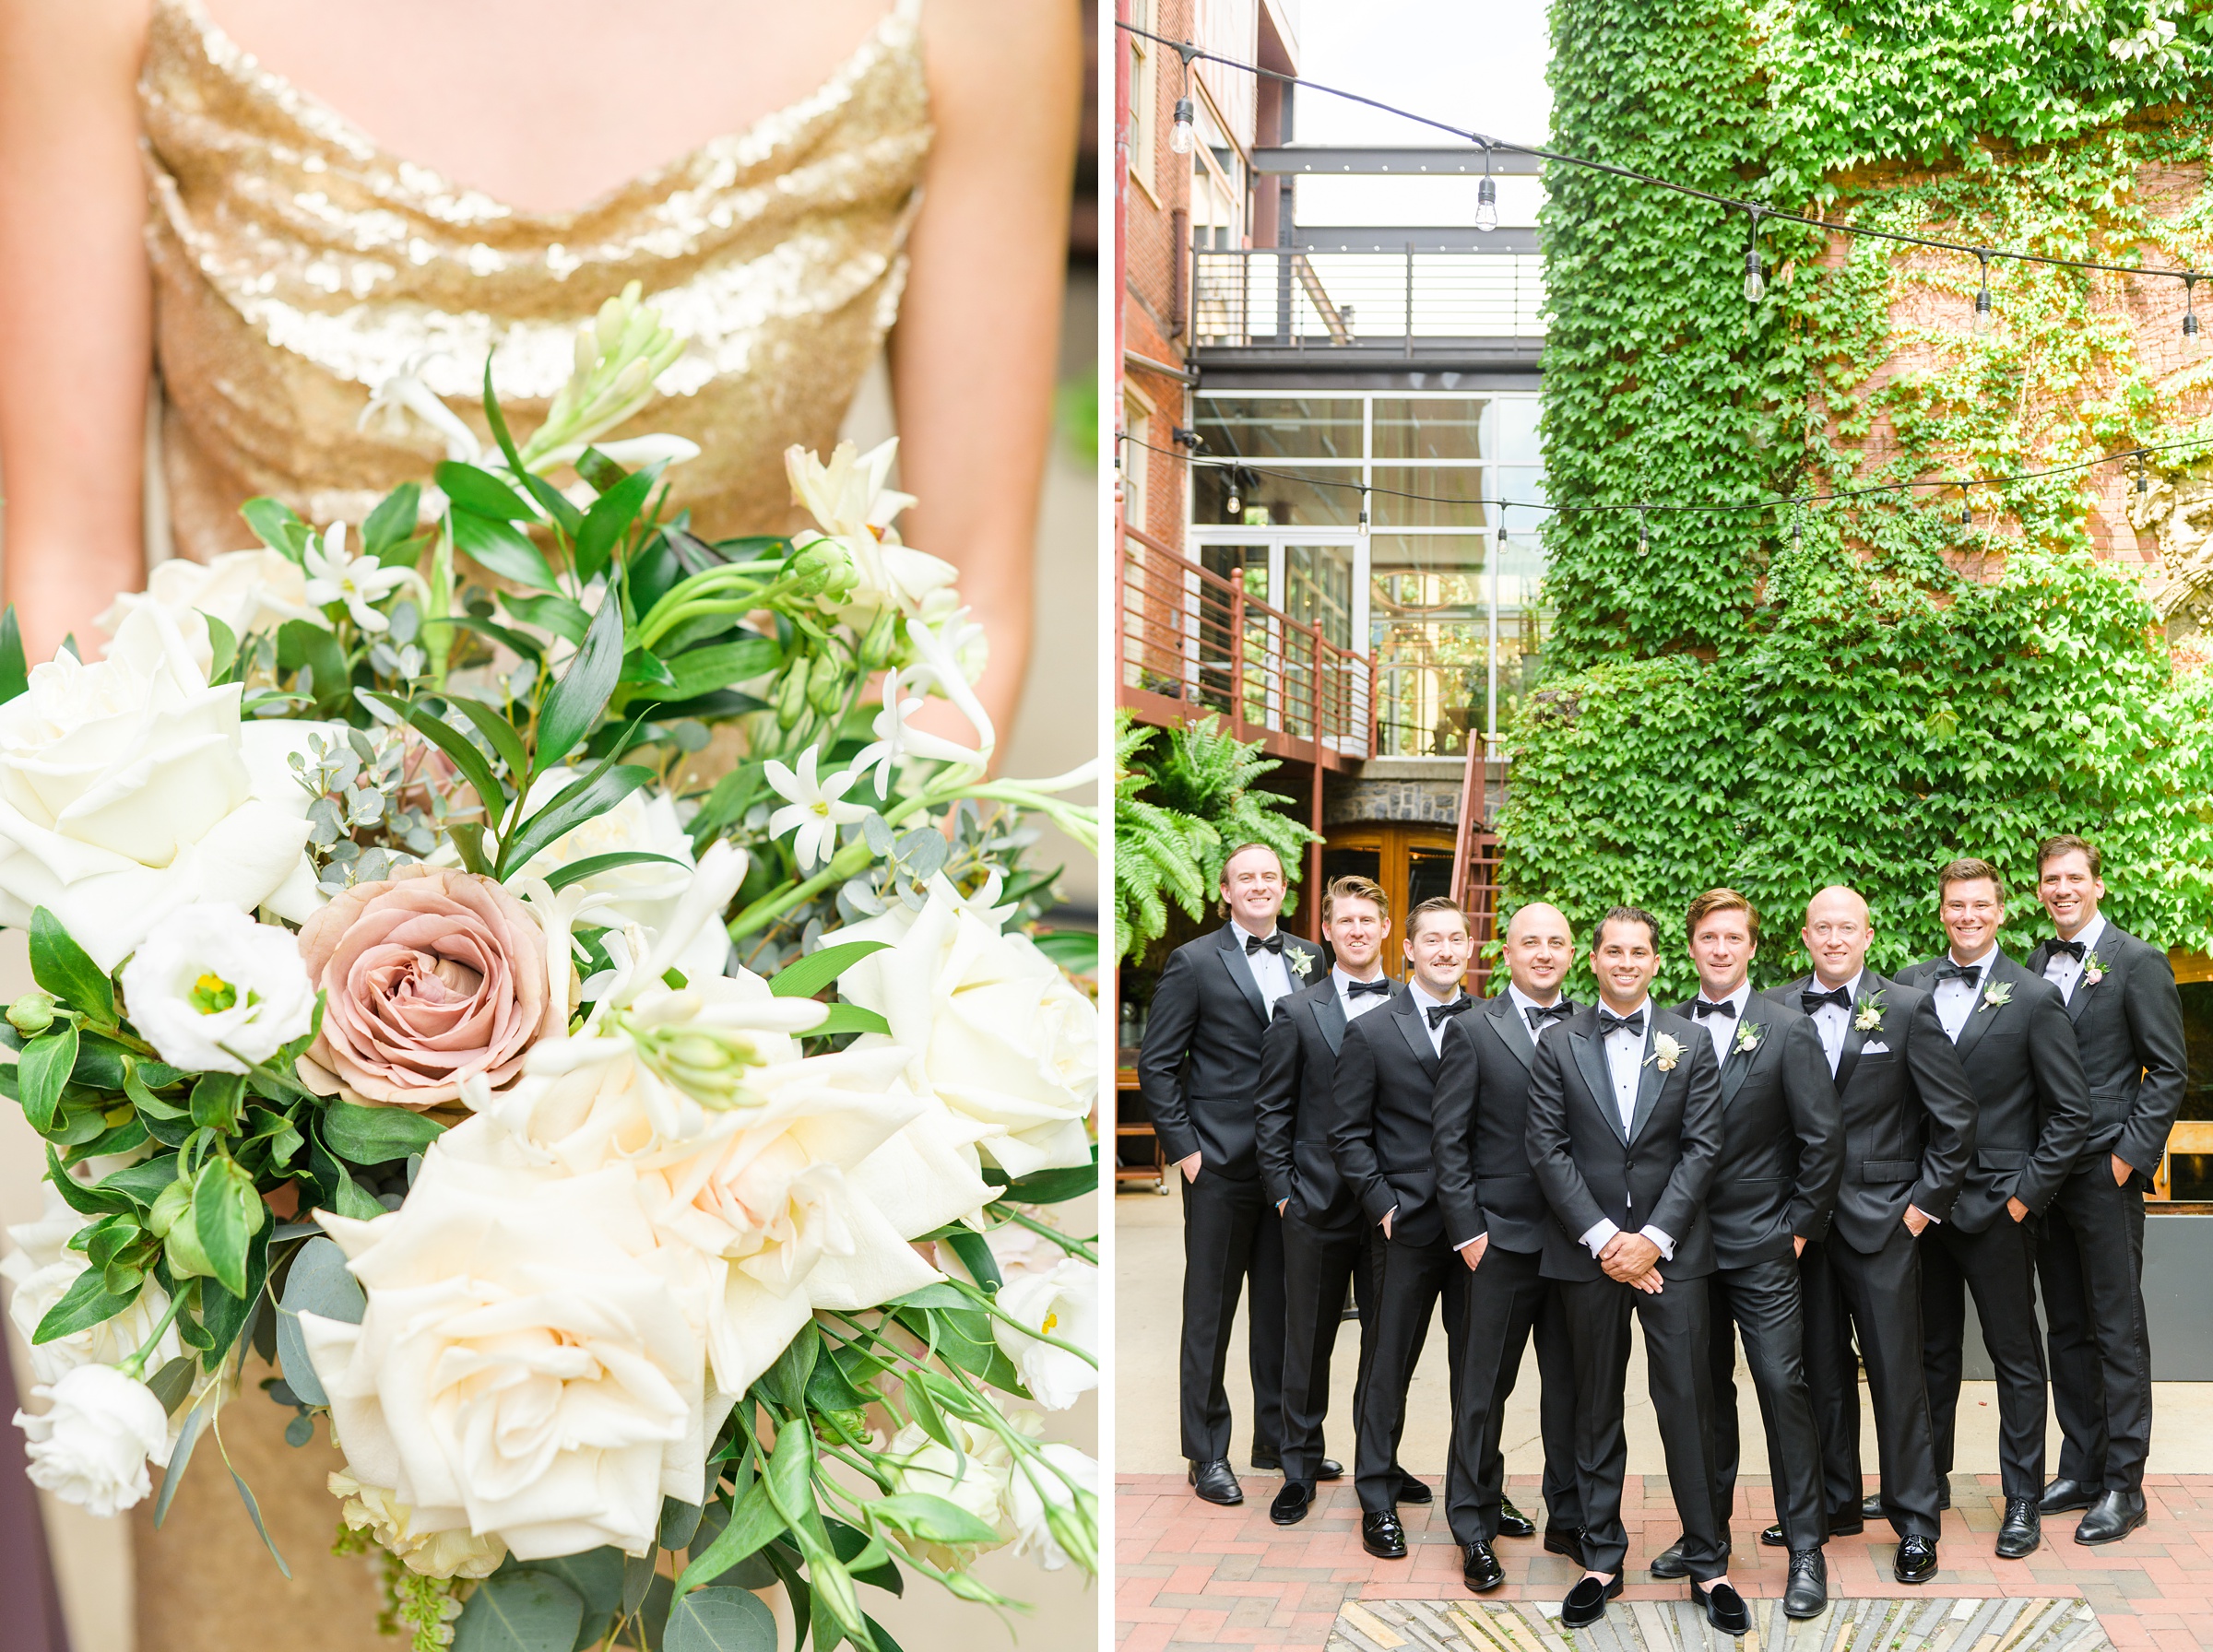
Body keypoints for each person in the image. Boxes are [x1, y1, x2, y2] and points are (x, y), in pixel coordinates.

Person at [0, 0, 1078, 735]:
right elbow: (67, 568)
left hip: (736, 981)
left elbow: (967, 607)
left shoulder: (983, 22)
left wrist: (824, 942)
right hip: (245, 966)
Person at [1526, 905, 1734, 1631]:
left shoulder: (1691, 1040)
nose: (1624, 962)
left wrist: (1653, 1239)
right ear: (1596, 959)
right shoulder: (1558, 1042)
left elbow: (1703, 1149)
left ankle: (1708, 1564)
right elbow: (1546, 1149)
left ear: (1655, 961)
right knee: (1593, 1405)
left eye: (1637, 952)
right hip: (1589, 1259)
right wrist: (1607, 1240)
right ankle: (1601, 1557)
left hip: (1673, 1258)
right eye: (1612, 951)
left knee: (1689, 1405)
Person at [1768, 885, 1975, 1585]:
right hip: (1802, 1228)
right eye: (1821, 927)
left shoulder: (1909, 1010)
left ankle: (1916, 1521)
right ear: (1804, 936)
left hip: (1884, 1221)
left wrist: (1922, 1210)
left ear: (1867, 934)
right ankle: (1834, 1502)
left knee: (1895, 1374)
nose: (1833, 938)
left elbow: (1955, 1121)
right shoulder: (1771, 1009)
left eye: (1845, 927)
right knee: (1818, 1373)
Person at [1643, 891, 1839, 1618]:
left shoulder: (1787, 1029)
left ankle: (1807, 1547)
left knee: (1781, 1385)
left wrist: (1796, 1227)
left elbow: (1823, 1141)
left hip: (1763, 1239)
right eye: (1708, 938)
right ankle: (1706, 1540)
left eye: (1734, 938)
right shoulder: (1663, 1028)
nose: (1721, 949)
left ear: (1753, 948)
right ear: (1691, 948)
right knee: (1697, 1394)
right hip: (1685, 1245)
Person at [1896, 859, 2091, 1560]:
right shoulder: (1910, 986)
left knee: (2016, 1357)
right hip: (1924, 1211)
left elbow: (2070, 1114)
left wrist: (2022, 1200)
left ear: (2001, 912)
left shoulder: (2035, 997)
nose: (1968, 915)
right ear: (1942, 911)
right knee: (1928, 1356)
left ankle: (2023, 1501)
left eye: (1980, 904)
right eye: (1956, 905)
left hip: (1998, 1209)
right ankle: (1926, 1485)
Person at [1139, 844, 1328, 1507]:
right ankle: (1206, 1452)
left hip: (1291, 1167)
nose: (1258, 886)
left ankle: (1276, 1439)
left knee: (1282, 1307)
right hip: (1218, 1165)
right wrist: (1187, 1151)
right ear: (1225, 890)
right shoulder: (1194, 962)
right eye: (1245, 877)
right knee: (1209, 1312)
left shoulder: (1313, 958)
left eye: (1269, 877)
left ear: (1283, 888)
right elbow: (1158, 1065)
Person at [2028, 834, 2186, 1545]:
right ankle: (2081, 1465)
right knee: (2066, 1324)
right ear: (2040, 890)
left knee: (2117, 1330)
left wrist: (2127, 1158)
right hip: (2046, 1177)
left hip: (2103, 1172)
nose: (2062, 889)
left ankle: (2125, 1484)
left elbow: (2168, 1071)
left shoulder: (2139, 962)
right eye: (2050, 880)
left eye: (2073, 878)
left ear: (2097, 885)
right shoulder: (2033, 963)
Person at [1253, 875, 1426, 1527]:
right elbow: (1271, 1112)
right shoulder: (1297, 1013)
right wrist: (1283, 1196)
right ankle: (1298, 1465)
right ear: (1327, 933)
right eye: (1344, 922)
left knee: (1389, 1346)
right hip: (1315, 1205)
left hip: (1394, 1210)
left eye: (1368, 921)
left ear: (1388, 932)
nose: (1356, 931)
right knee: (1309, 1341)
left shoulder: (1417, 1006)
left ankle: (1379, 1459)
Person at [1429, 901, 1585, 1590]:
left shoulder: (1593, 1025)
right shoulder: (1472, 1030)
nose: (1544, 952)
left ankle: (1570, 1516)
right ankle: (1472, 1523)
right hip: (1498, 1241)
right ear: (1507, 952)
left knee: (1574, 1391)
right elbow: (1449, 1138)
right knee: (1483, 1389)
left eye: (1556, 942)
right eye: (1532, 941)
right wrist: (1467, 1230)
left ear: (1572, 953)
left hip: (1579, 1244)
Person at [1328, 897, 1475, 1564]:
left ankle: (1478, 1491)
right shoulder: (1373, 1029)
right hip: (1405, 1227)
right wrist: (1383, 1203)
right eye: (1432, 940)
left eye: (1456, 940)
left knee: (1478, 1374)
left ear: (1470, 948)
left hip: (1479, 1233)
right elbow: (1348, 1133)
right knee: (1389, 1368)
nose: (1445, 951)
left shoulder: (1492, 1022)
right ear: (1408, 950)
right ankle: (1377, 1495)